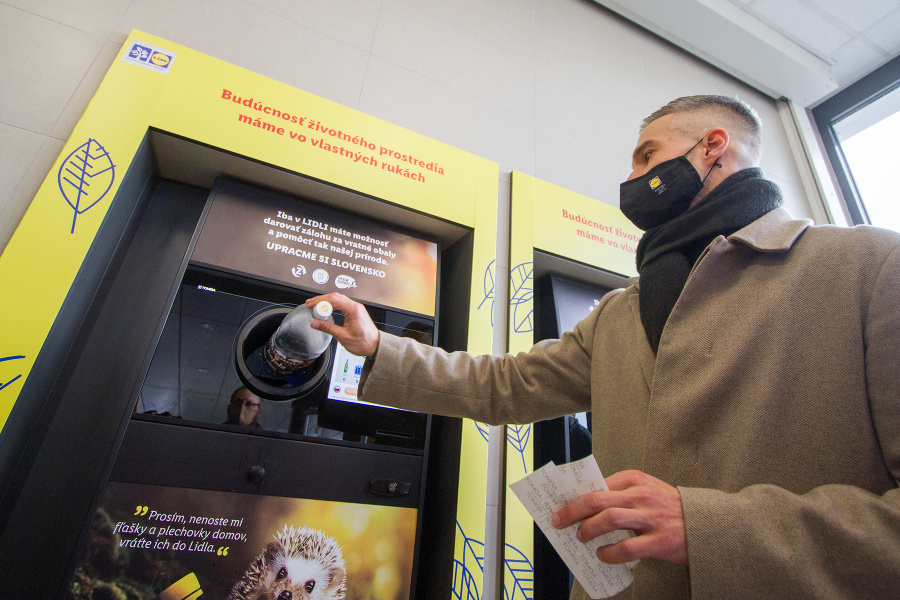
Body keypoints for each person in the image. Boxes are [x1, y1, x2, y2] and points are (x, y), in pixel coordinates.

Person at [305, 96, 900, 600]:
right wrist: (378, 346)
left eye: (648, 156)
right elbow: (506, 384)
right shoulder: (620, 311)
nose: (633, 179)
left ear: (714, 145)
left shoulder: (869, 266)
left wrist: (709, 528)